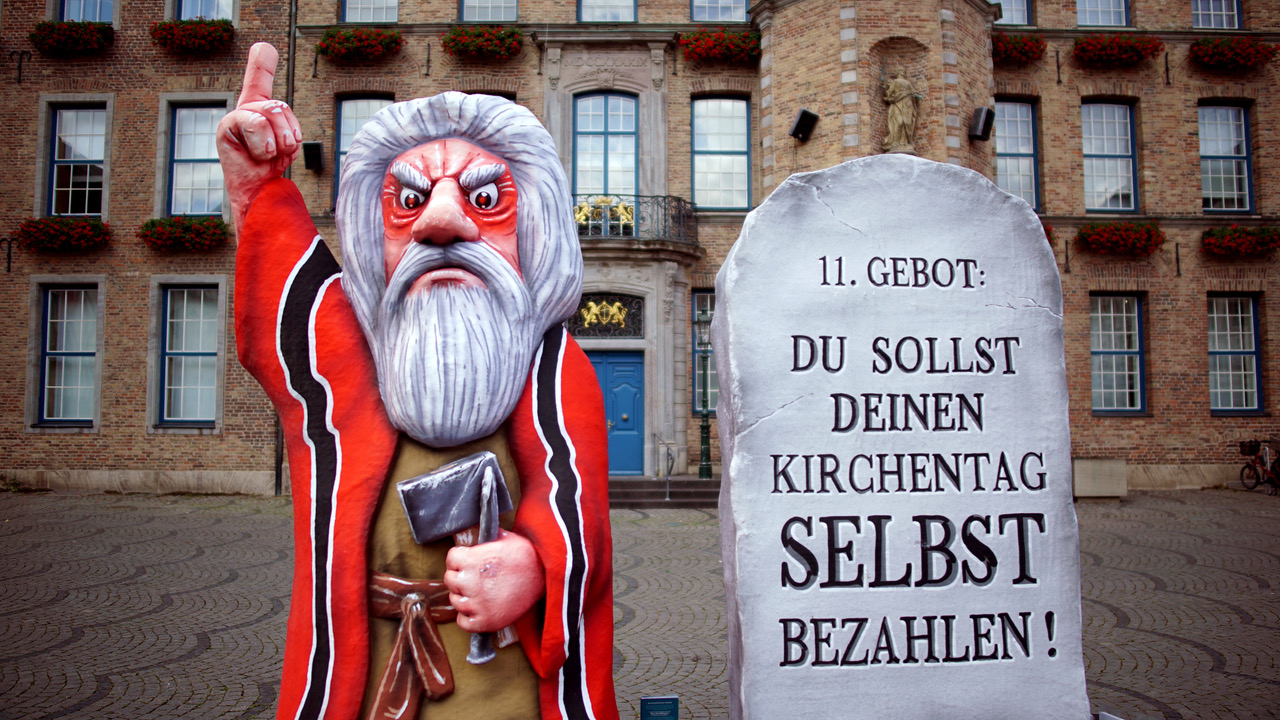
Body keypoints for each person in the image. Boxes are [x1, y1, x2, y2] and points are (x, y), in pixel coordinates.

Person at [218, 43, 618, 720]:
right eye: (407, 202)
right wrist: (255, 185)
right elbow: (279, 295)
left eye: (486, 198)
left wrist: (537, 566)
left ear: (535, 229)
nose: (439, 222)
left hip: (506, 694)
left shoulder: (555, 372)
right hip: (370, 687)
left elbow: (580, 510)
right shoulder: (347, 369)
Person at [881, 71, 920, 154]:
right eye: (901, 72)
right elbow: (889, 93)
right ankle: (895, 142)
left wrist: (916, 95)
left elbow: (912, 92)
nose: (902, 74)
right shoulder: (895, 82)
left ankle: (904, 142)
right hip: (897, 104)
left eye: (903, 72)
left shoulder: (908, 83)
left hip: (907, 105)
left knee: (907, 123)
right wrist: (884, 88)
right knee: (899, 122)